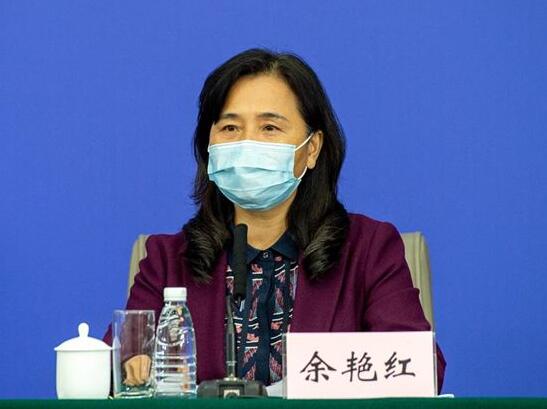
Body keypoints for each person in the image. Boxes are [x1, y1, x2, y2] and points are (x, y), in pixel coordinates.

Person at [103, 48, 446, 392]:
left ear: (312, 148)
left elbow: (418, 368)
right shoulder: (167, 260)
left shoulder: (369, 250)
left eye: (269, 127)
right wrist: (131, 368)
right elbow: (112, 373)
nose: (247, 144)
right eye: (230, 127)